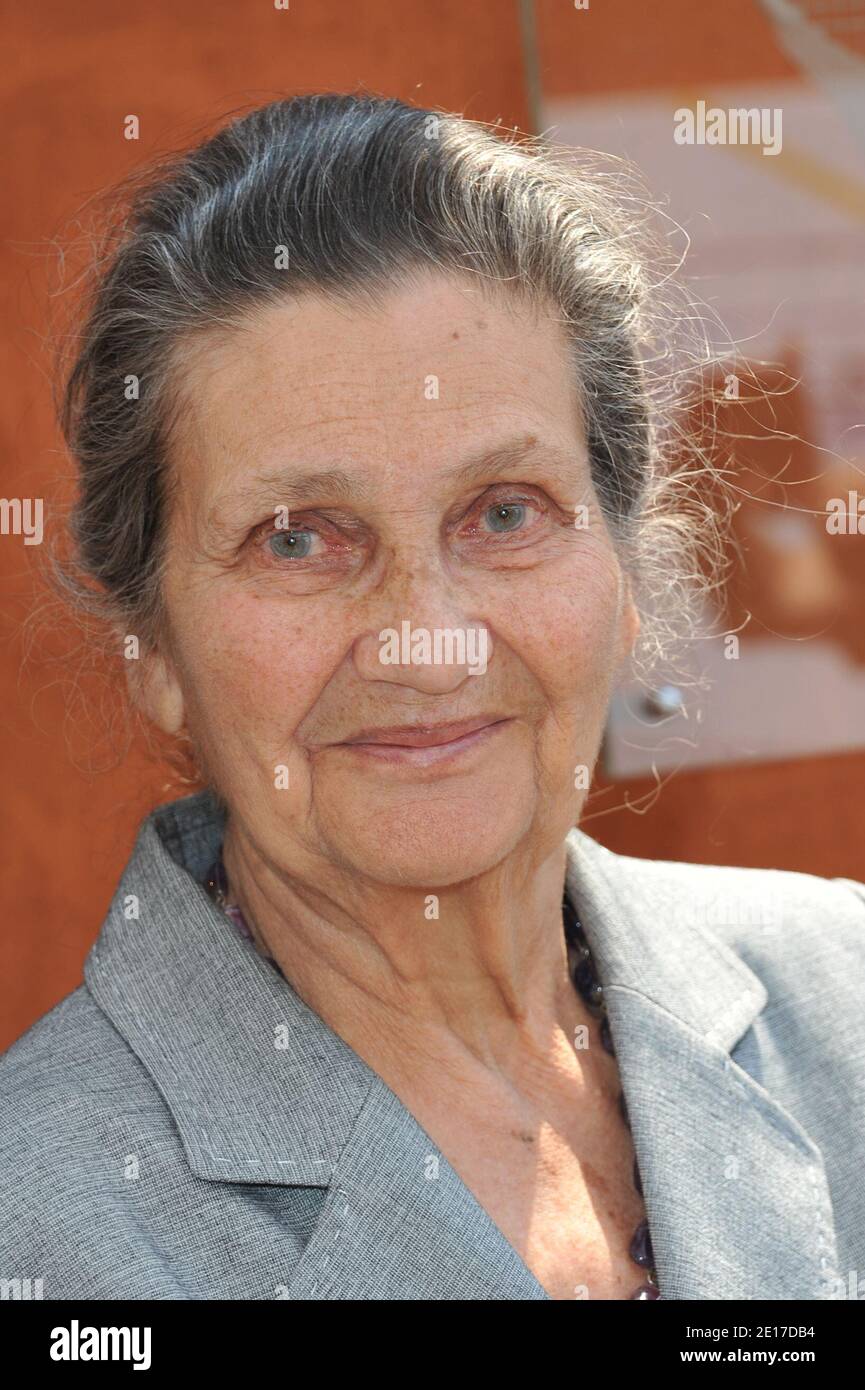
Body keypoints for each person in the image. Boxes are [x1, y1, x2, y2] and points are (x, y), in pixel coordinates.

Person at [1, 92, 863, 1301]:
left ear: (624, 570)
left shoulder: (845, 992)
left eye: (504, 512)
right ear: (155, 649)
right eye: (299, 538)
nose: (427, 642)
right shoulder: (37, 1228)